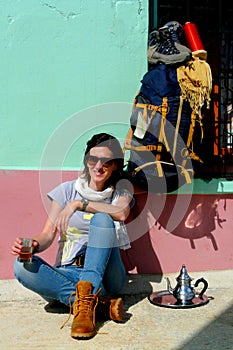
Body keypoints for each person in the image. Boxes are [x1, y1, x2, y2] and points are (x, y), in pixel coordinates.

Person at [12, 132, 134, 340]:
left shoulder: (122, 190)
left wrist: (79, 205)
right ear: (86, 161)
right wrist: (34, 245)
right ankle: (98, 305)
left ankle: (83, 300)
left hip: (107, 274)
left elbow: (121, 213)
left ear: (115, 165)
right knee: (21, 266)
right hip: (69, 270)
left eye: (106, 161)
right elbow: (47, 235)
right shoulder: (66, 191)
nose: (98, 166)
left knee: (103, 220)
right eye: (93, 159)